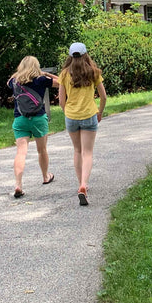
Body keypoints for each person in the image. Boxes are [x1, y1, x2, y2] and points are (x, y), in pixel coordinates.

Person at [58, 42, 107, 207]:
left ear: (71, 56)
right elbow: (104, 96)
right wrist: (99, 112)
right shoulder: (93, 72)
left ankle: (81, 183)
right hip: (89, 115)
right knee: (88, 152)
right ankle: (84, 185)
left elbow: (61, 101)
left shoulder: (64, 74)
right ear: (86, 55)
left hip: (71, 116)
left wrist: (67, 112)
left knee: (77, 150)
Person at [7, 56, 59, 198]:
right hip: (38, 119)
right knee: (41, 150)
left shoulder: (14, 81)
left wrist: (18, 74)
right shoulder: (41, 80)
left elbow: (8, 82)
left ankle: (18, 184)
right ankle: (45, 176)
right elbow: (62, 82)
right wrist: (46, 74)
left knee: (21, 152)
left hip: (20, 119)